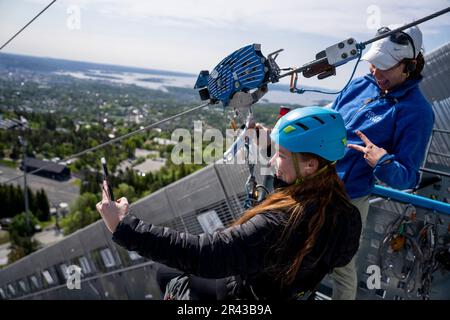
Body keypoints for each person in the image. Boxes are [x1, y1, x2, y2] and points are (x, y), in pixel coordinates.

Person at [96, 106, 362, 300]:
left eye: (280, 155)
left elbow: (204, 255)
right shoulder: (348, 216)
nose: (271, 162)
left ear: (310, 166)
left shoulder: (277, 223)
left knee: (165, 275)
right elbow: (339, 257)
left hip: (242, 299)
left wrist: (123, 227)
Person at [329, 24, 435, 300]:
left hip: (349, 198)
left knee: (341, 266)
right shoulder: (361, 84)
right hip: (316, 183)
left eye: (384, 66)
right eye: (373, 64)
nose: (375, 72)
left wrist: (382, 161)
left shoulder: (417, 112)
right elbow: (331, 118)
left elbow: (408, 177)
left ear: (409, 67)